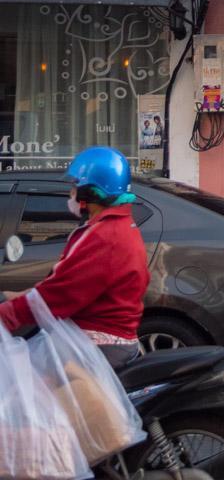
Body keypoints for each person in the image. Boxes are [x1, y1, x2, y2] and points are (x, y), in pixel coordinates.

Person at [0, 146, 149, 370]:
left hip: (97, 344)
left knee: (25, 389)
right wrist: (9, 296)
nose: (71, 191)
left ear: (89, 192)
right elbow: (57, 285)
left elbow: (58, 295)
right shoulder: (114, 226)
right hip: (97, 338)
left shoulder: (105, 236)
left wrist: (7, 316)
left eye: (75, 186)